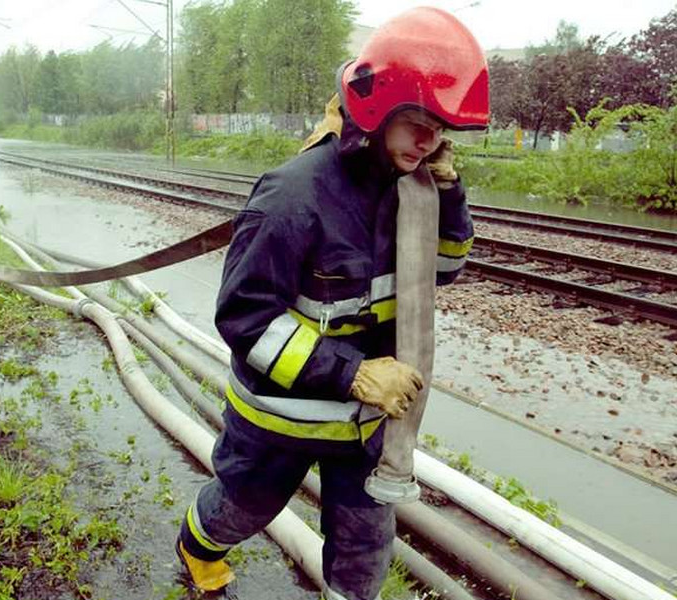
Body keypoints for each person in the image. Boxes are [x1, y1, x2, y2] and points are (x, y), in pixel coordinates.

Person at [174, 7, 487, 600]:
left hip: (366, 429)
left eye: (441, 126)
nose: (430, 139)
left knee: (366, 546)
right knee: (240, 511)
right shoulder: (293, 195)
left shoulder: (417, 189)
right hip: (278, 421)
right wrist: (353, 372)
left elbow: (442, 271)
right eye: (419, 119)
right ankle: (196, 548)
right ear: (376, 106)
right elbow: (246, 318)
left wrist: (449, 196)